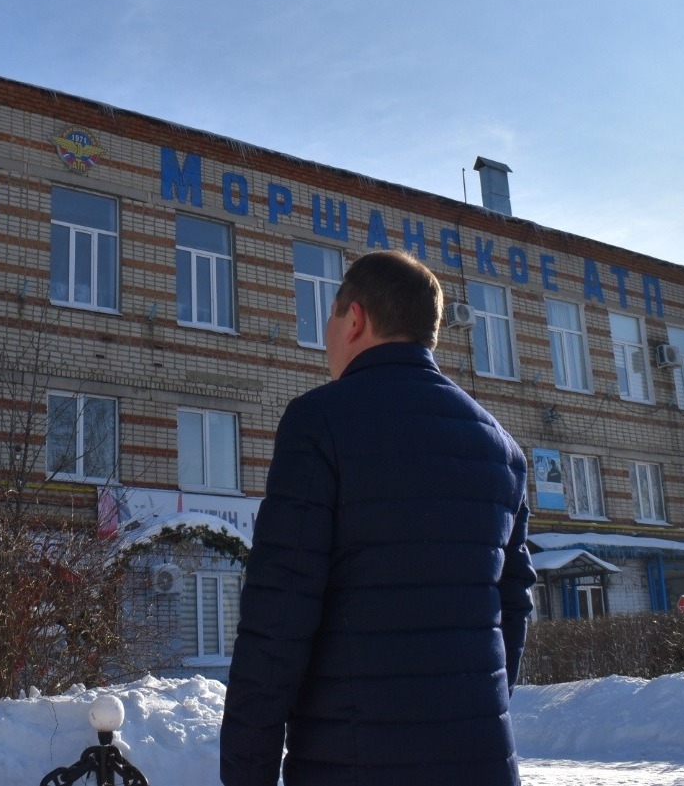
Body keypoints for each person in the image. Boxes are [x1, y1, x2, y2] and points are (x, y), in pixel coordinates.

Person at [220, 249, 536, 786]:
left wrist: (247, 773)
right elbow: (513, 607)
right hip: (481, 760)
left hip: (352, 763)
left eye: (329, 318)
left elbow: (279, 616)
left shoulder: (319, 423)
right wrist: (471, 711)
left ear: (355, 319)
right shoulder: (501, 450)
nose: (325, 337)